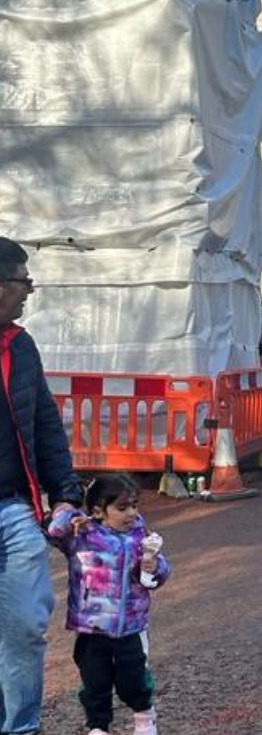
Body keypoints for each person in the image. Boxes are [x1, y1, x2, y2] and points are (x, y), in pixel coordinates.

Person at [0, 236, 84, 735]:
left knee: (26, 626)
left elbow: (45, 424)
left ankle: (21, 727)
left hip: (15, 510)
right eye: (21, 281)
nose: (29, 291)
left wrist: (67, 492)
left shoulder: (21, 345)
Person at [48, 475, 170, 735]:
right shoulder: (81, 536)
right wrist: (71, 517)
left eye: (135, 506)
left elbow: (159, 574)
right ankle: (98, 726)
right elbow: (53, 531)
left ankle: (144, 715)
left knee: (133, 678)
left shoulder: (141, 538)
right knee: (94, 681)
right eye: (122, 508)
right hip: (91, 627)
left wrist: (154, 567)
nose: (131, 514)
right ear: (98, 511)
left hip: (130, 626)